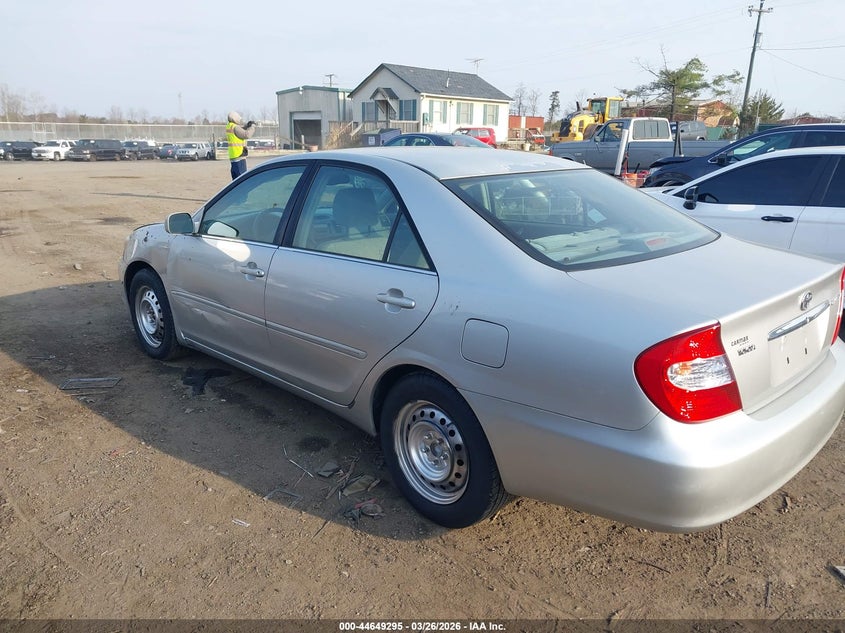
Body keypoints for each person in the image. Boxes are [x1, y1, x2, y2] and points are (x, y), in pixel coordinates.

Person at [225, 111, 256, 180]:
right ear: (235, 118)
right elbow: (246, 135)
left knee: (235, 181)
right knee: (242, 180)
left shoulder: (229, 126)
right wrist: (252, 127)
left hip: (233, 156)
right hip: (239, 156)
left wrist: (246, 126)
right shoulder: (235, 127)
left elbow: (239, 130)